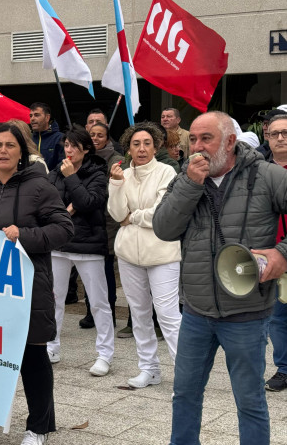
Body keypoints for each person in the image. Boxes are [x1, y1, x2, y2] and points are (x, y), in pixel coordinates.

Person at [153, 111, 287, 445]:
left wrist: (282, 253)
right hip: (197, 311)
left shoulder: (267, 176)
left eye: (206, 138)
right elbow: (164, 228)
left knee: (250, 400)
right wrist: (189, 186)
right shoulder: (185, 177)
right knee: (184, 395)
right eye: (193, 139)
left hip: (247, 312)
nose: (197, 147)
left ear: (230, 141)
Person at [0, 123, 73, 445]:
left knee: (32, 359)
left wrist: (26, 236)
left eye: (10, 145)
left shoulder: (40, 186)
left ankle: (39, 427)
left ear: (22, 152)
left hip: (28, 288)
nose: (3, 151)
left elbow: (64, 229)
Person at [107, 122, 181, 388]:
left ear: (156, 145)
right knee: (138, 314)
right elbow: (117, 215)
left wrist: (134, 216)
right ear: (128, 147)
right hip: (128, 254)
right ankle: (149, 368)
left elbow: (162, 211)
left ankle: (185, 376)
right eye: (136, 144)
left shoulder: (167, 171)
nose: (141, 148)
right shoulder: (122, 174)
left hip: (163, 252)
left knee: (168, 315)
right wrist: (116, 185)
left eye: (147, 143)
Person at [46, 126, 114, 376]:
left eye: (75, 146)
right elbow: (46, 203)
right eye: (66, 145)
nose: (69, 150)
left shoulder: (97, 172)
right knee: (54, 299)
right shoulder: (56, 172)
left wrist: (72, 178)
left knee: (98, 302)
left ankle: (105, 354)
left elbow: (89, 203)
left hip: (89, 244)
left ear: (86, 149)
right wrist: (67, 210)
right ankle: (52, 346)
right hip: (59, 244)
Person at [79, 122, 121, 329]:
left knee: (105, 271)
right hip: (88, 222)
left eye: (100, 135)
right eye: (92, 135)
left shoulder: (116, 160)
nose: (95, 138)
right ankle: (90, 311)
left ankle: (109, 313)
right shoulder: (83, 159)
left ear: (107, 138)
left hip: (108, 222)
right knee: (88, 270)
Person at [265, 115, 287, 392]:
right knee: (277, 317)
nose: (280, 138)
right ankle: (283, 369)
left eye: (286, 132)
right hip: (270, 254)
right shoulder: (259, 172)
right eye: (274, 134)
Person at [29, 102, 64, 171]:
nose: (32, 119)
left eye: (36, 115)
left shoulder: (60, 138)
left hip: (52, 180)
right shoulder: (28, 139)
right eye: (31, 116)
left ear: (47, 117)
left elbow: (63, 165)